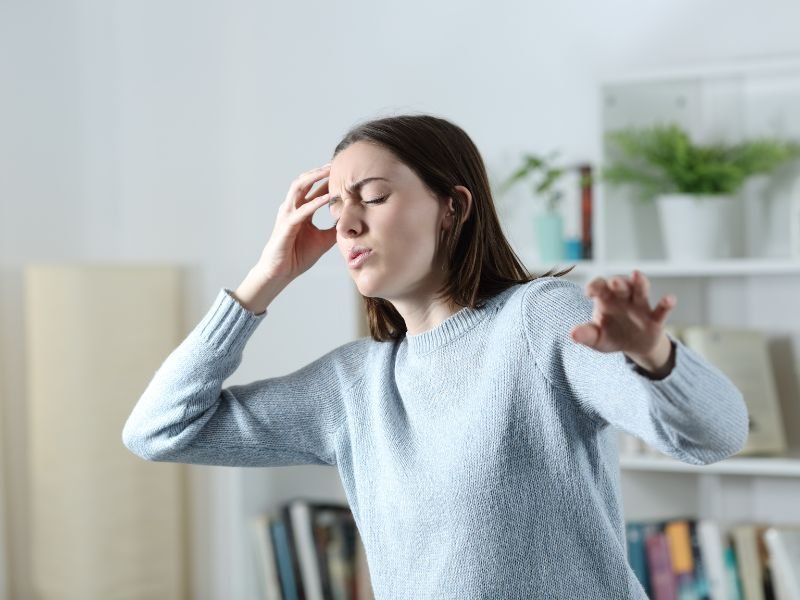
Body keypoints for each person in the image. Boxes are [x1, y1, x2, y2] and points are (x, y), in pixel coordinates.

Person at [122, 114, 749, 599]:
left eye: (371, 195)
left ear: (453, 206)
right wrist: (265, 277)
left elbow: (715, 435)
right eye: (336, 206)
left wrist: (654, 355)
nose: (345, 224)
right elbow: (159, 430)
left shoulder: (537, 320)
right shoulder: (354, 385)